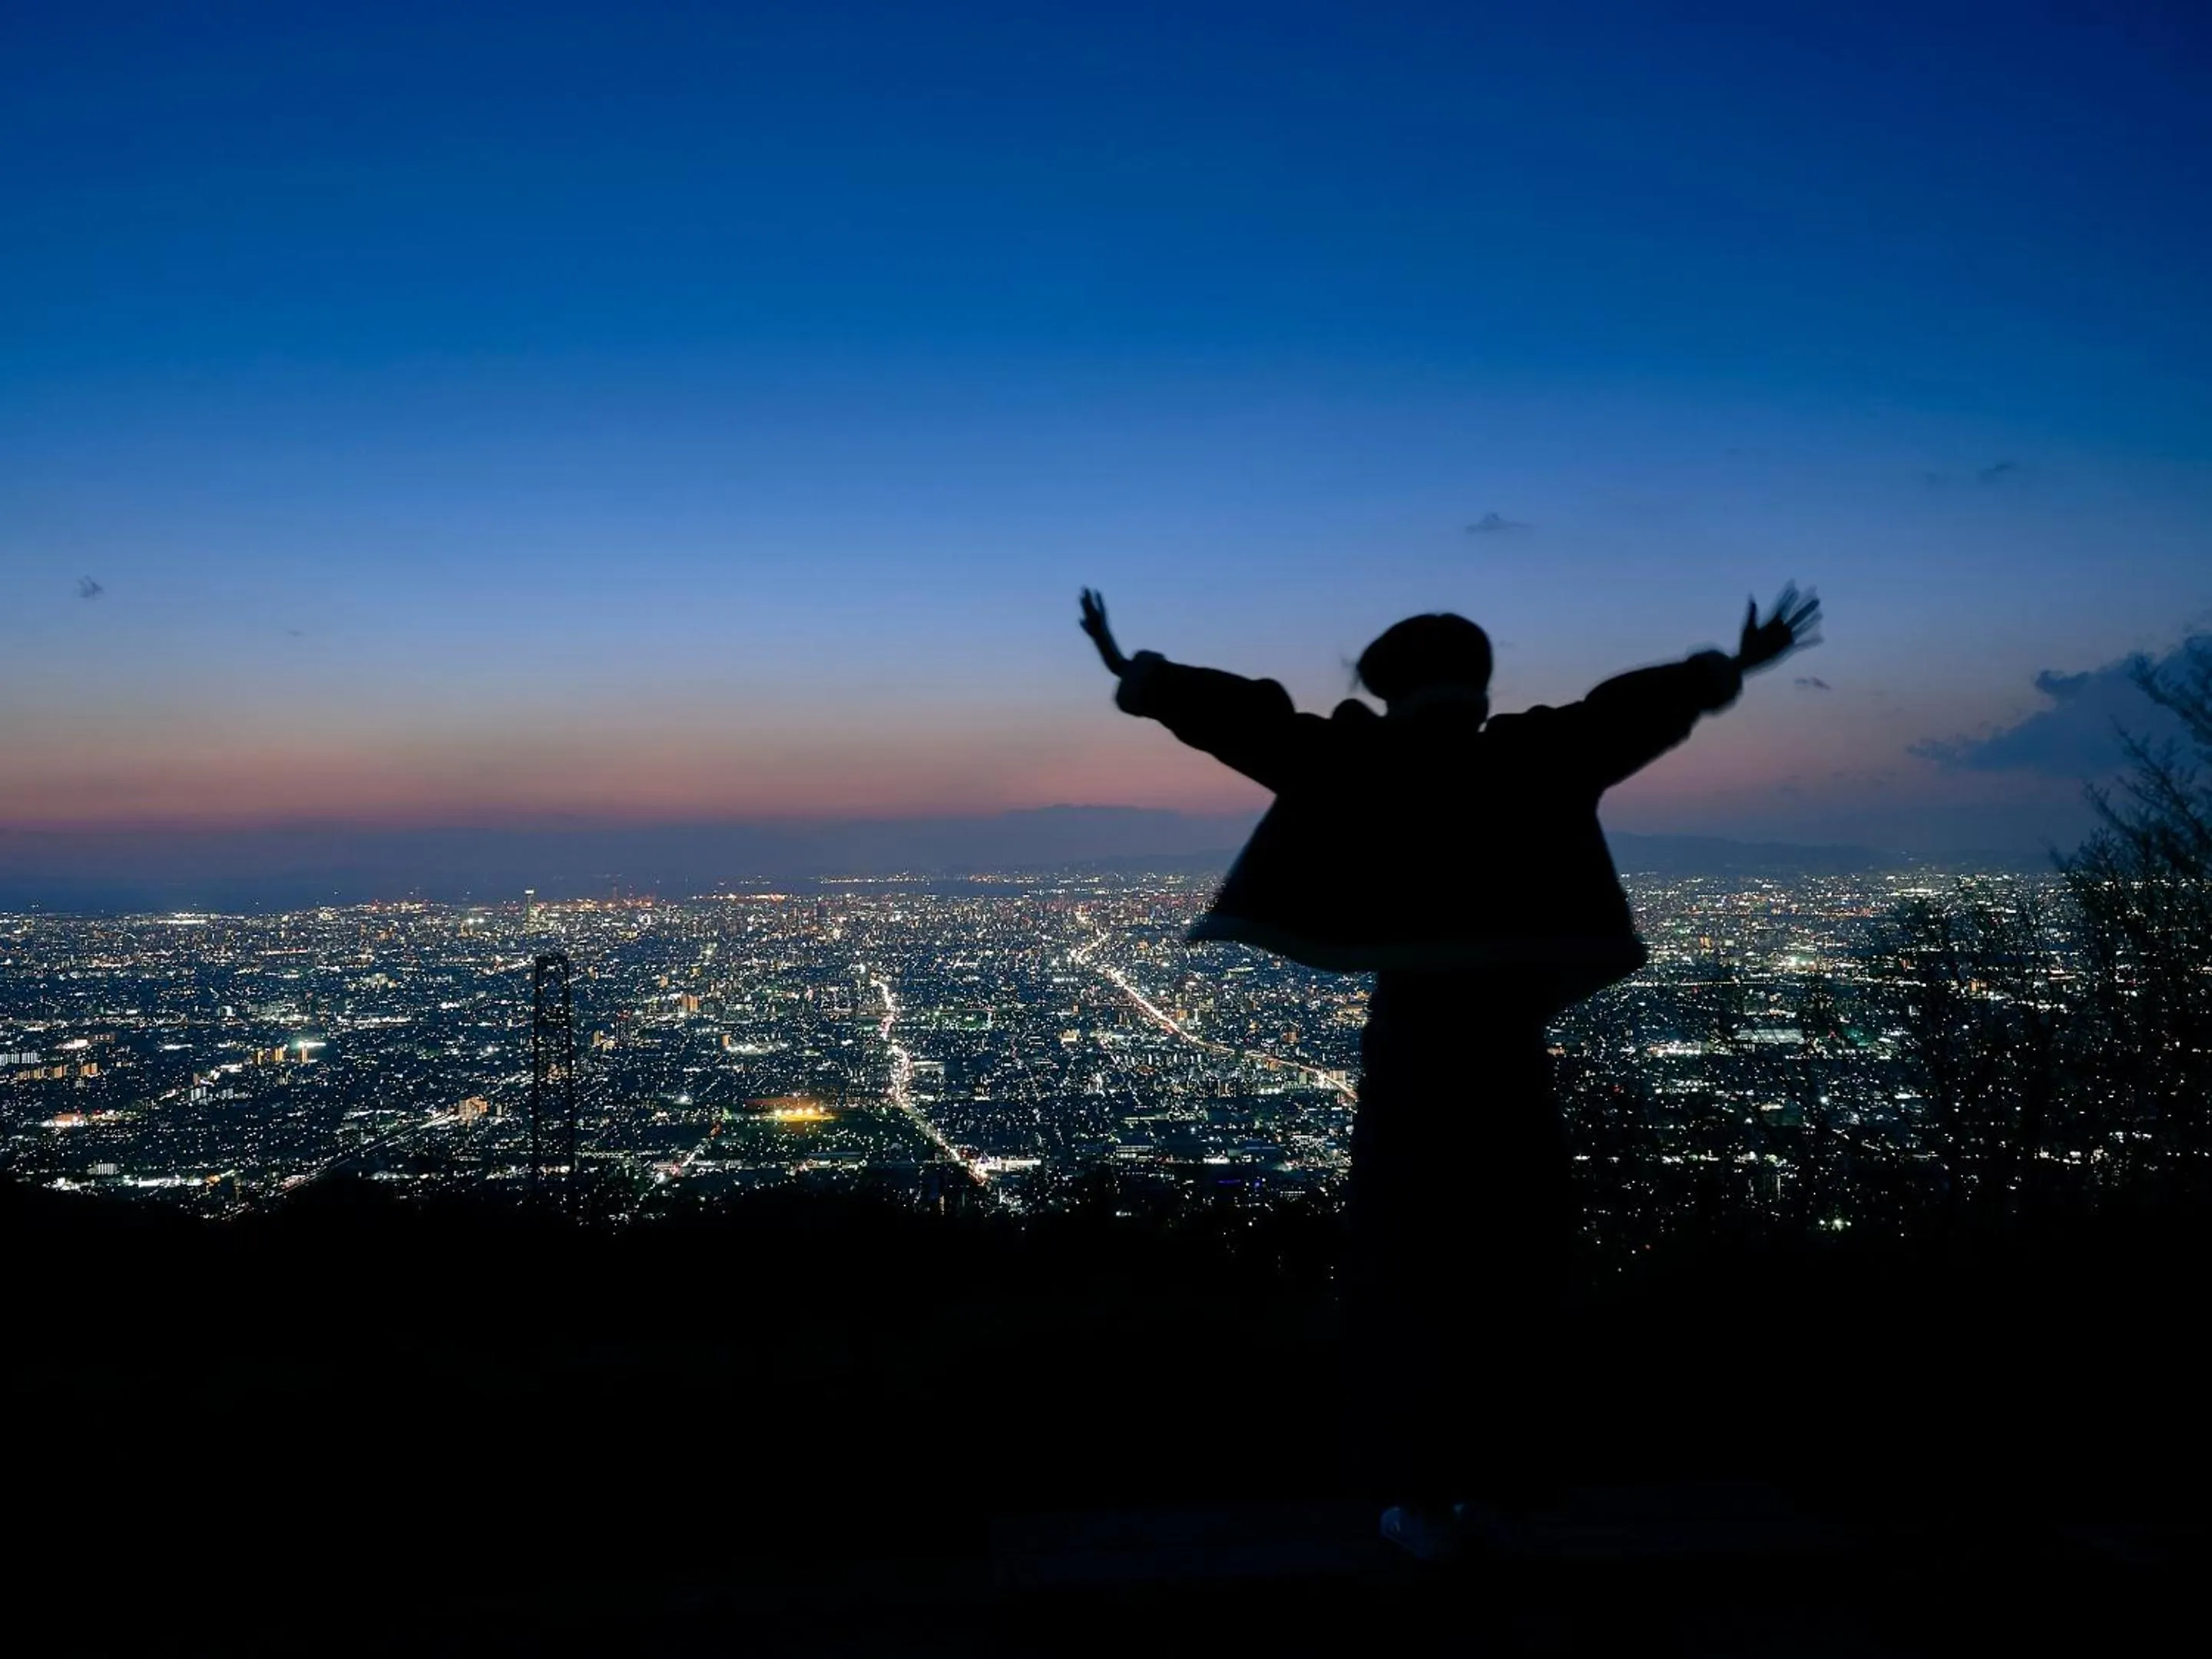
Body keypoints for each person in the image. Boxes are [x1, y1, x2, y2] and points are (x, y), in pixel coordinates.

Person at [1078, 584, 1822, 1561]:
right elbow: (1626, 713)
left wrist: (1134, 671)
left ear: (1390, 689)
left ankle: (1421, 1500)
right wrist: (1733, 666)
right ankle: (1506, 1488)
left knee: (1410, 1260)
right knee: (1514, 1259)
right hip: (1507, 1045)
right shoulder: (1534, 759)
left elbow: (1243, 721)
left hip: (1413, 1044)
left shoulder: (1359, 761)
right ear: (1478, 684)